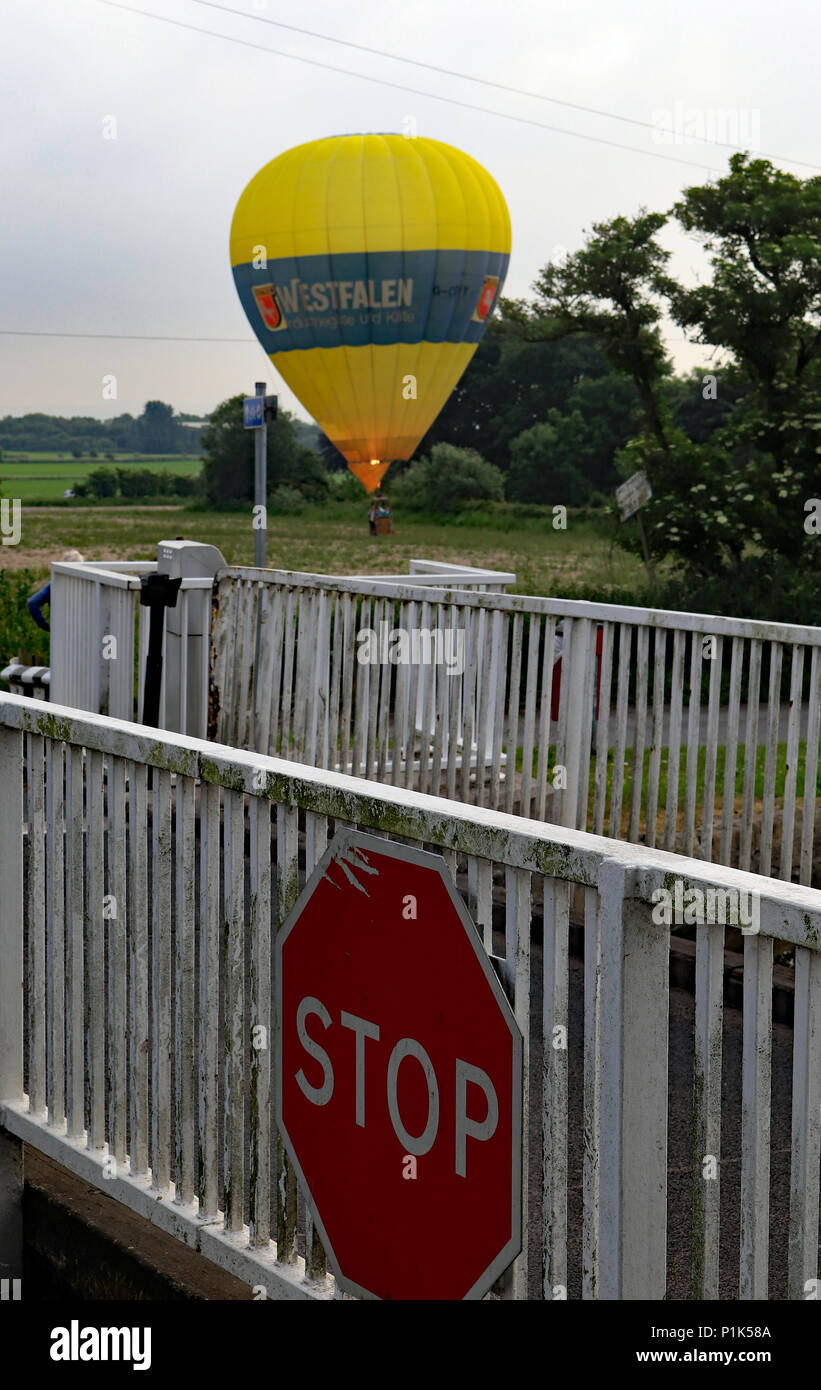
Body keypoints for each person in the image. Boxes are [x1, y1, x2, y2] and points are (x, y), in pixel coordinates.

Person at [27, 549, 85, 633]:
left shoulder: (55, 585)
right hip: (84, 629)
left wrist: (45, 626)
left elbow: (32, 603)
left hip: (59, 630)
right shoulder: (88, 584)